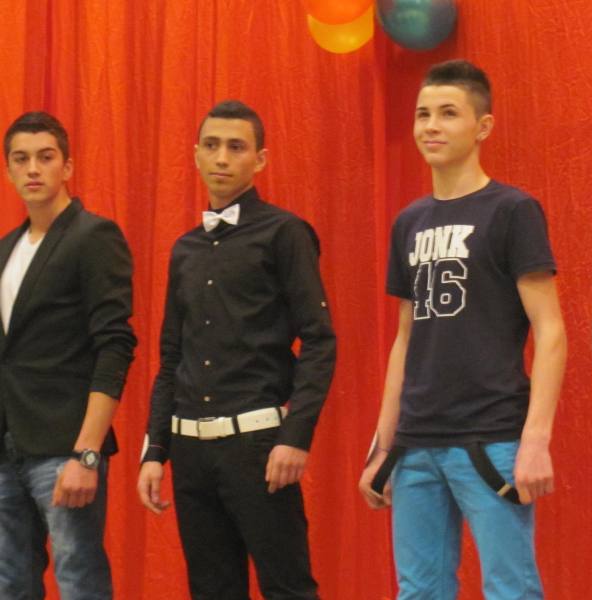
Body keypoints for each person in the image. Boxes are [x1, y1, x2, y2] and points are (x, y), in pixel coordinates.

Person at [358, 60, 567, 599]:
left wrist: (535, 440)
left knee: (510, 589)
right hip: (416, 443)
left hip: (491, 436)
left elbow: (550, 331)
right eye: (423, 114)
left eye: (448, 113)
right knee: (418, 591)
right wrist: (383, 443)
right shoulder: (409, 222)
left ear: (483, 126)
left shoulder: (512, 211)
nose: (431, 125)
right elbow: (406, 338)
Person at [137, 100, 336, 600]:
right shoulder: (184, 248)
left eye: (236, 147)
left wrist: (296, 436)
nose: (222, 157)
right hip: (189, 447)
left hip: (257, 443)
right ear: (195, 155)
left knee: (287, 588)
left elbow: (319, 339)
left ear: (260, 159)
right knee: (211, 590)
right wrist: (155, 451)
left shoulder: (284, 233)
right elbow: (171, 357)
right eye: (211, 145)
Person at [0, 111, 136, 600]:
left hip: (65, 448)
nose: (33, 168)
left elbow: (114, 345)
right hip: (6, 446)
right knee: (9, 585)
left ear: (68, 167)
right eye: (21, 159)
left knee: (79, 582)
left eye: (45, 157)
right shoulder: (6, 248)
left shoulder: (92, 236)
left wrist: (86, 452)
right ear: (9, 171)